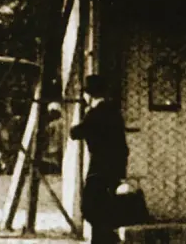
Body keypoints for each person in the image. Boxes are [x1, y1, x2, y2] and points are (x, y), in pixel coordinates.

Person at [69, 73, 129, 244]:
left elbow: (75, 133)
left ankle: (109, 238)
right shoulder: (113, 111)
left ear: (88, 94)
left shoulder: (95, 113)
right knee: (102, 204)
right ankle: (104, 238)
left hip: (99, 165)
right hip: (115, 165)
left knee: (89, 207)